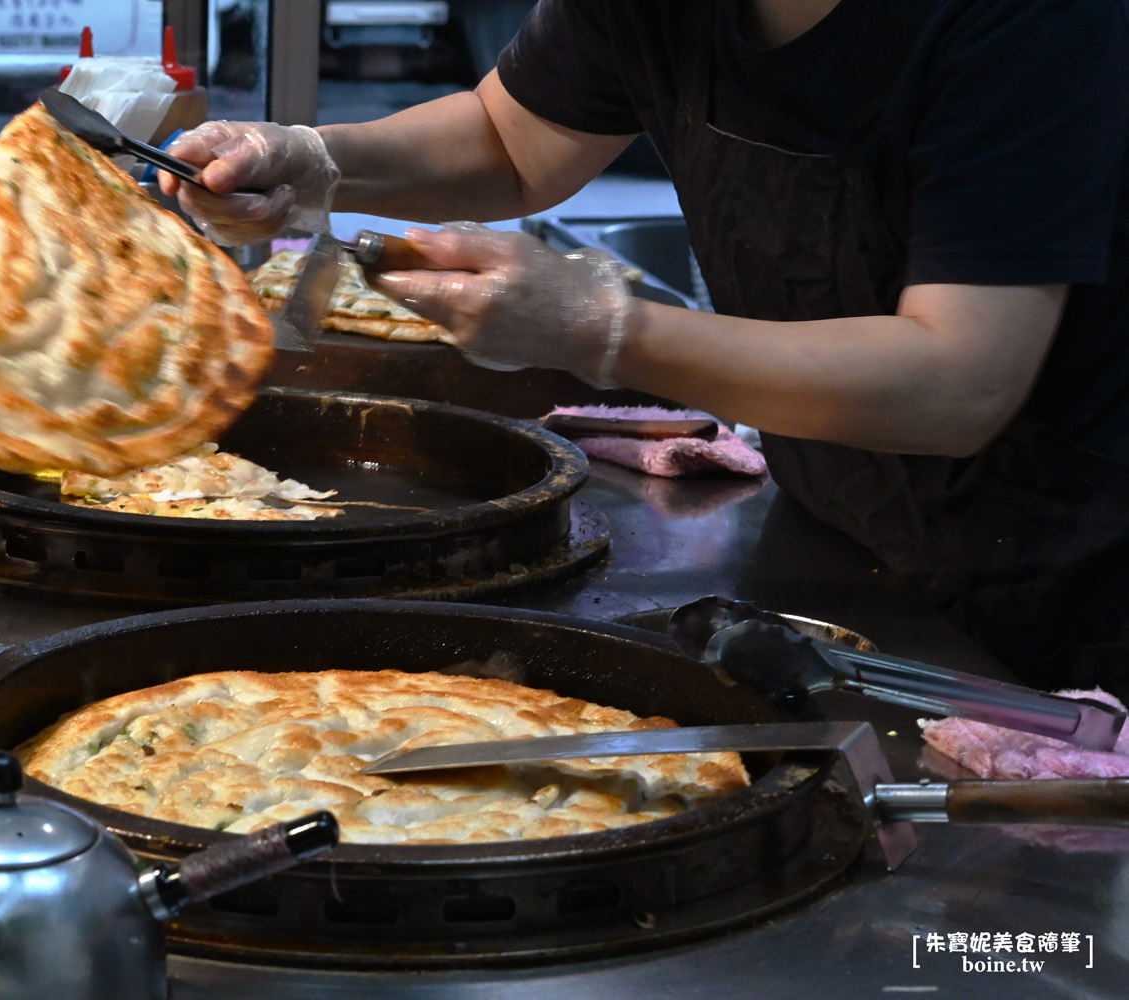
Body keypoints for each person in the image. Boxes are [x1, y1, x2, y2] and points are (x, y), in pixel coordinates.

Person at [159, 0, 1129, 696]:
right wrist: (319, 160)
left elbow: (958, 380)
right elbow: (511, 139)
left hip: (1059, 597)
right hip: (848, 536)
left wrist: (606, 331)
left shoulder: (1031, 25)